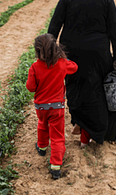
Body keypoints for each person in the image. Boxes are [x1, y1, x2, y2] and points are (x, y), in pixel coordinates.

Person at [48, 0, 116, 147]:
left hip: (70, 55)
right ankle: (89, 134)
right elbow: (115, 30)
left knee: (76, 90)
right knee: (96, 93)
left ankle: (81, 126)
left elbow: (54, 27)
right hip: (99, 55)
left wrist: (49, 53)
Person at [26, 33, 78, 180]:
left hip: (41, 107)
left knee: (42, 124)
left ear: (37, 51)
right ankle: (55, 165)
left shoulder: (35, 67)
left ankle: (42, 147)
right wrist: (64, 58)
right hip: (57, 106)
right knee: (57, 135)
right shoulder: (62, 63)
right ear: (56, 48)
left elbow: (30, 87)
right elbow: (74, 67)